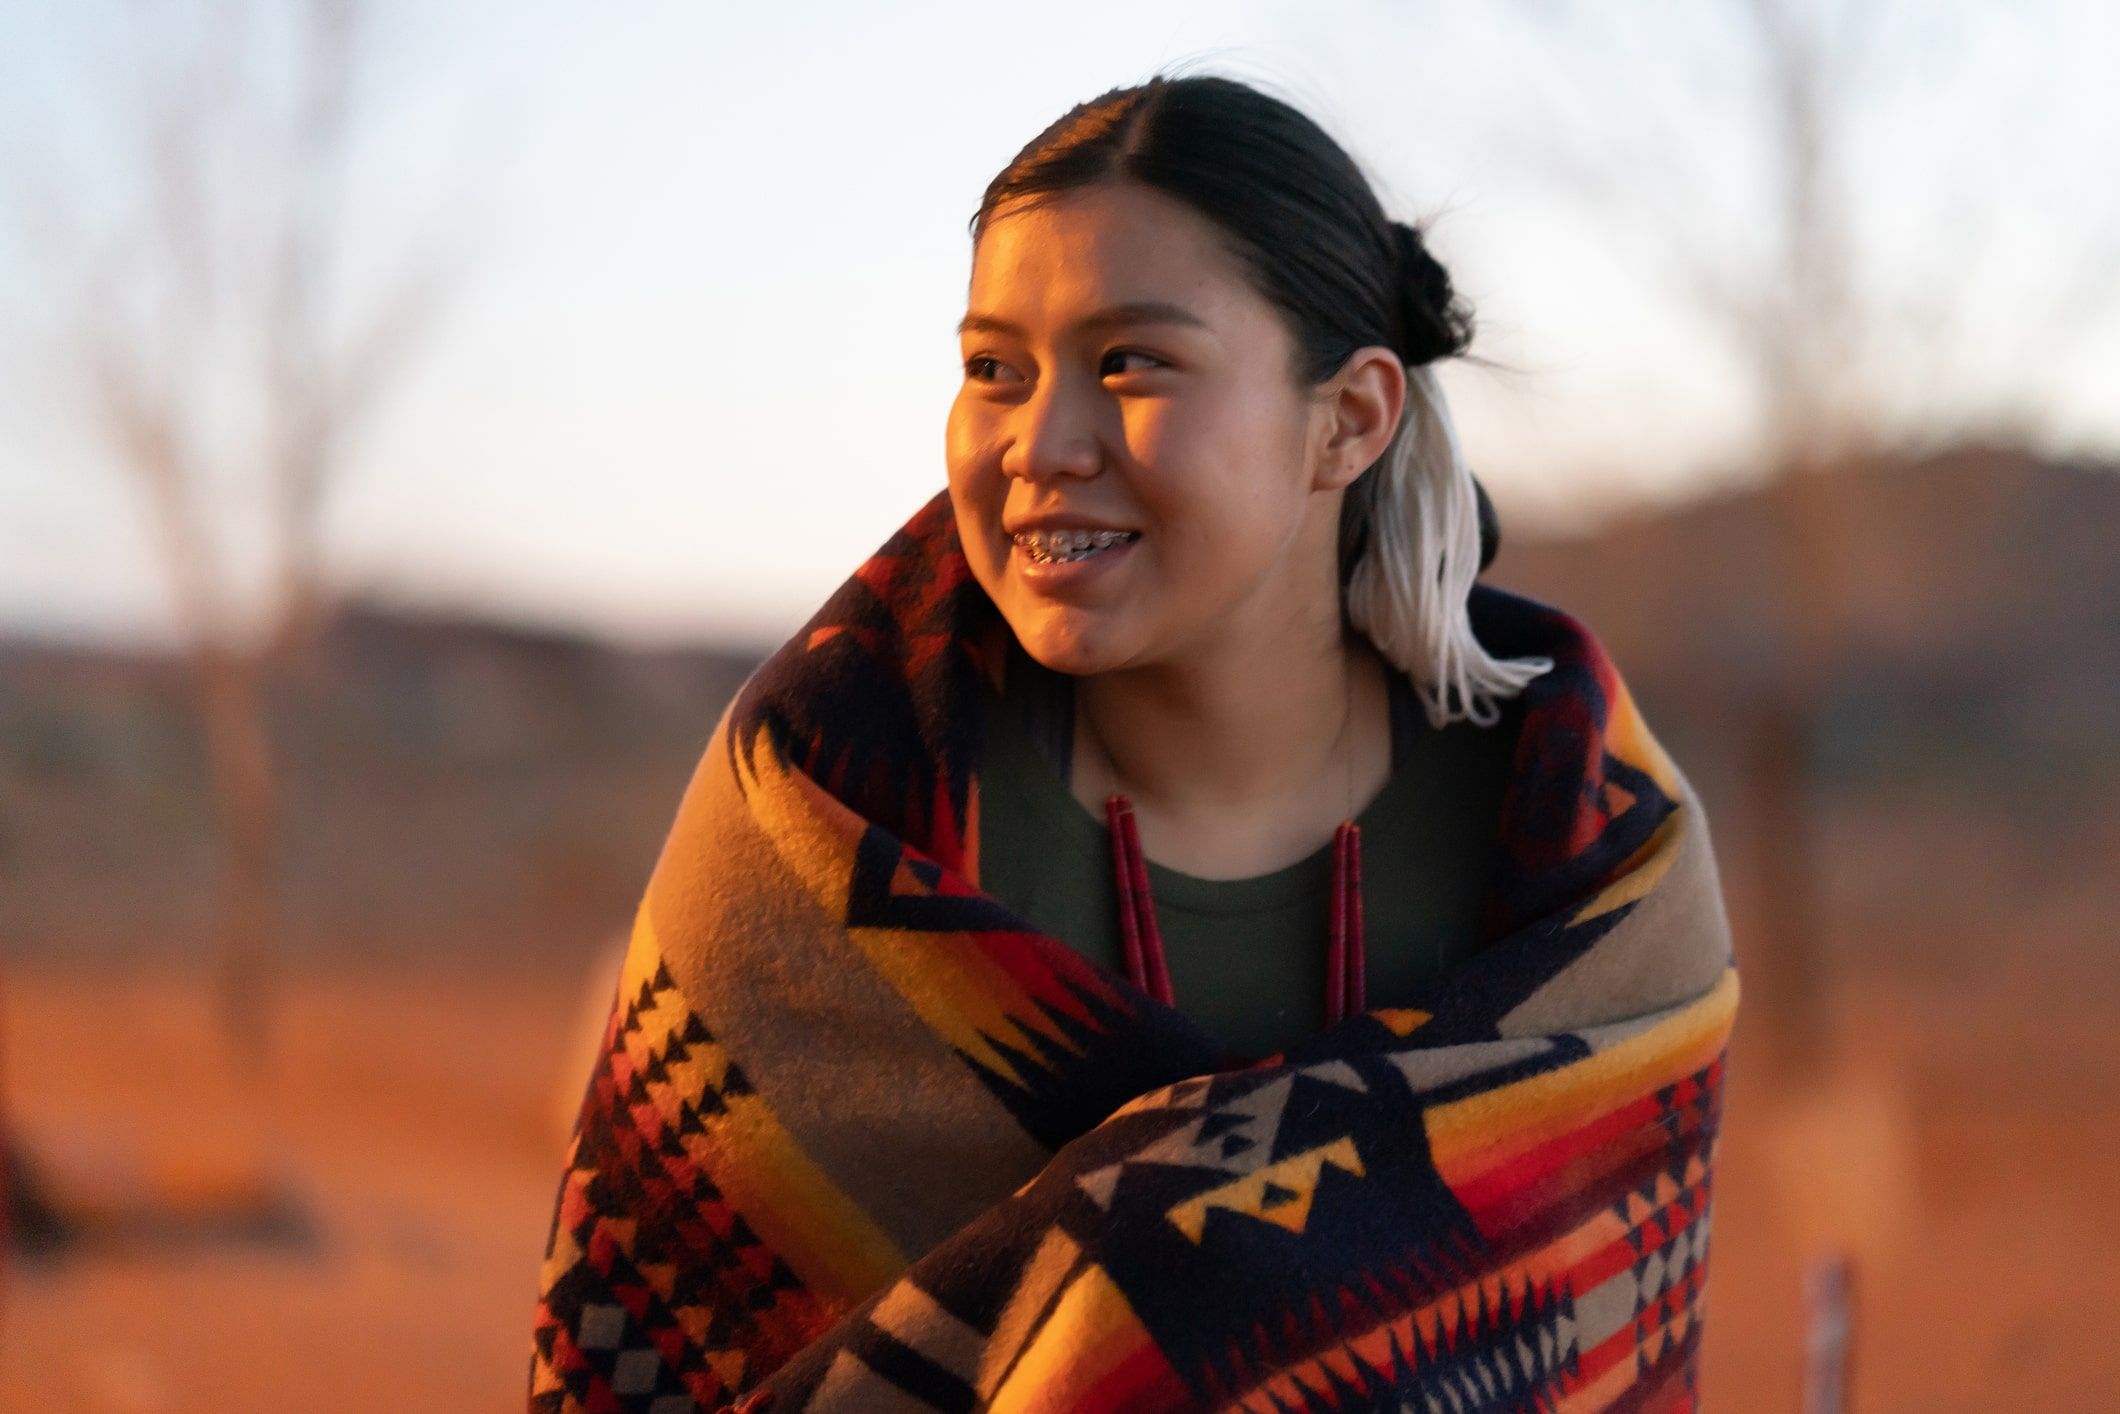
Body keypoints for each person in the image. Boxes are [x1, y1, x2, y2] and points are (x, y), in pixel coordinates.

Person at [531, 72, 1737, 1414]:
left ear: (1350, 419)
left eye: (1131, 364)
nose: (1039, 445)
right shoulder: (822, 816)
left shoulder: (1590, 856)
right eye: (994, 370)